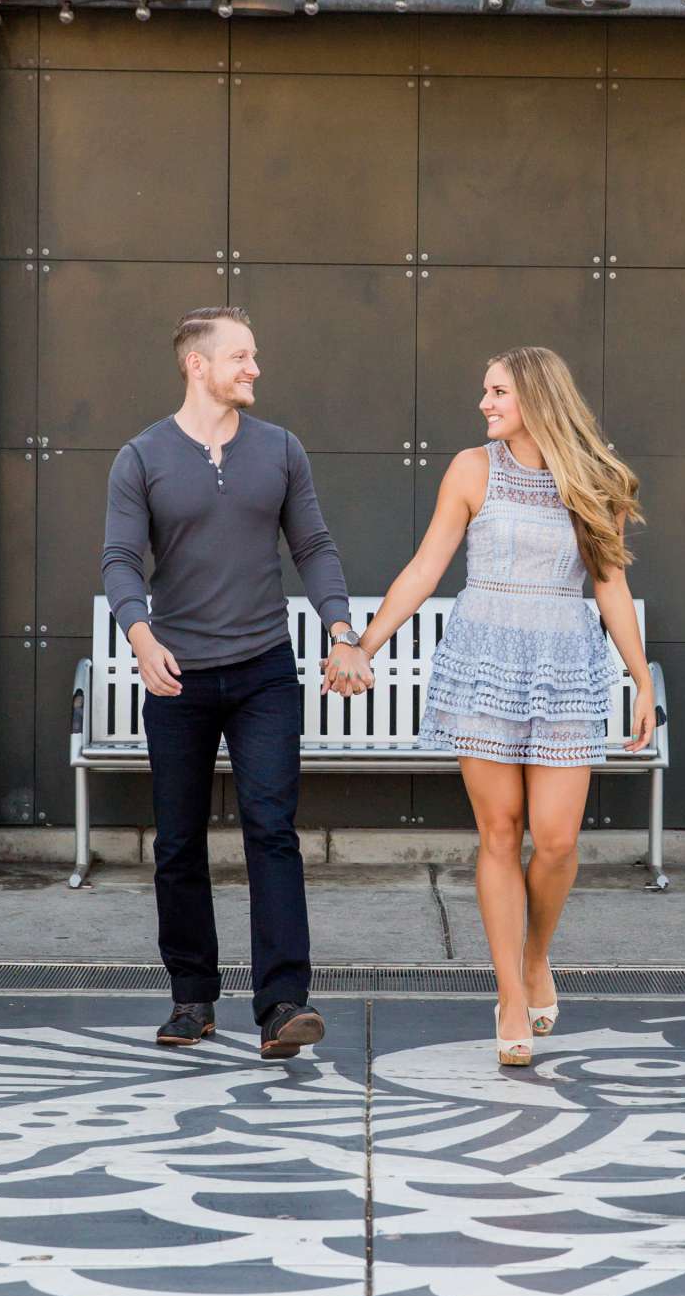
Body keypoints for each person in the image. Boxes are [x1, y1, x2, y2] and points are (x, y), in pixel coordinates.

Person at [353, 346, 654, 1066]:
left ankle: (537, 955)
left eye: (497, 393)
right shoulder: (471, 469)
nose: (484, 404)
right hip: (484, 658)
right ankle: (510, 996)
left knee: (554, 840)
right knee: (500, 830)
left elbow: (609, 586)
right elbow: (427, 567)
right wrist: (365, 644)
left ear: (537, 400)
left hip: (562, 662)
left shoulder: (593, 477)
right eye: (484, 391)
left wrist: (641, 680)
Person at [101, 306, 374, 1057]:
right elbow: (121, 559)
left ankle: (284, 1004)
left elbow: (313, 545)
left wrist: (341, 630)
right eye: (241, 356)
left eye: (254, 356)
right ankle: (192, 1000)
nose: (254, 368)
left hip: (263, 672)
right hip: (178, 676)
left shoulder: (280, 450)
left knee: (271, 830)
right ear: (198, 364)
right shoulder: (142, 457)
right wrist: (139, 632)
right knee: (180, 842)